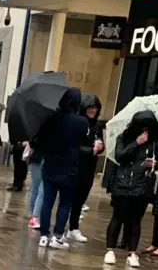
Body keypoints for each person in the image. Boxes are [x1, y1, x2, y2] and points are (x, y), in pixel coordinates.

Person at [104, 110, 158, 267]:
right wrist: (136, 143)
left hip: (142, 185)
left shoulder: (156, 141)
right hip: (123, 183)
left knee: (135, 221)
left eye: (148, 127)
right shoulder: (124, 137)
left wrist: (154, 164)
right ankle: (110, 250)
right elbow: (120, 156)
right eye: (143, 126)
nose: (145, 130)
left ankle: (132, 253)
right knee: (117, 217)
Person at [37, 87, 89, 250]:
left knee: (47, 201)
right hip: (70, 167)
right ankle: (58, 236)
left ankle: (44, 235)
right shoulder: (81, 122)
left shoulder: (50, 119)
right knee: (65, 203)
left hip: (50, 165)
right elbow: (84, 142)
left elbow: (41, 139)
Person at [67, 94, 104, 243]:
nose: (93, 110)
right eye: (90, 107)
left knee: (81, 199)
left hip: (89, 168)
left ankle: (73, 228)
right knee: (68, 199)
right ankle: (61, 228)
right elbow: (73, 146)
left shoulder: (98, 126)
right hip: (75, 165)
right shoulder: (77, 123)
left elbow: (100, 144)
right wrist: (90, 150)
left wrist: (99, 148)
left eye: (95, 108)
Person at [26, 139, 44, 229]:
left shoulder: (35, 128)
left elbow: (32, 142)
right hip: (44, 160)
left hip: (35, 159)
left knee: (35, 189)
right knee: (42, 191)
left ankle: (33, 216)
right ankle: (35, 217)